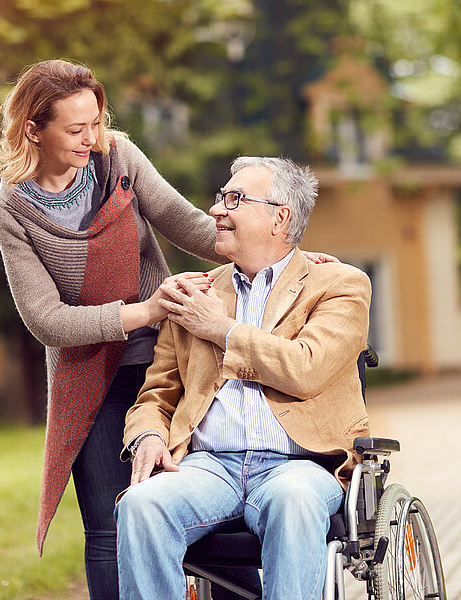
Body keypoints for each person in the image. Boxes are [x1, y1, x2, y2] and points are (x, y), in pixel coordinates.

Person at [0, 59, 333, 600]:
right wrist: (145, 311)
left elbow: (189, 223)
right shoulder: (13, 208)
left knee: (217, 499)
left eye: (95, 123)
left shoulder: (117, 159)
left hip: (168, 356)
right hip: (91, 377)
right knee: (109, 525)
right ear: (34, 129)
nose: (90, 139)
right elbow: (46, 320)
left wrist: (282, 254)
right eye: (75, 130)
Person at [114, 156, 371, 600]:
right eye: (220, 198)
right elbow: (156, 395)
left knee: (294, 502)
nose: (216, 210)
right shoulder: (196, 291)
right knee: (140, 504)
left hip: (299, 465)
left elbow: (306, 367)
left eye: (234, 199)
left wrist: (223, 330)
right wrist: (148, 437)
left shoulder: (341, 285)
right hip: (208, 466)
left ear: (280, 217)